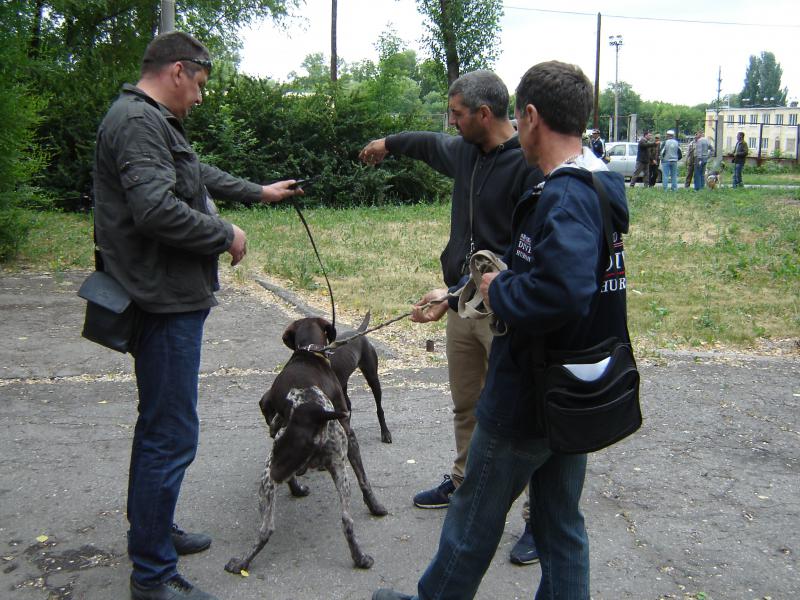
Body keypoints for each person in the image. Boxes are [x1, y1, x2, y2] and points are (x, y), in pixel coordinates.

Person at [373, 59, 630, 600]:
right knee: (560, 524)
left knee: (472, 520)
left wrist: (499, 289)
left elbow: (561, 292)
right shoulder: (596, 184)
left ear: (530, 116)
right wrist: (465, 291)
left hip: (531, 392)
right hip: (571, 386)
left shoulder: (565, 195)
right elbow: (562, 277)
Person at [92, 31, 302, 600]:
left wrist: (257, 192)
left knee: (158, 426)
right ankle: (153, 575)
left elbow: (194, 174)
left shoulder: (150, 122)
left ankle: (152, 532)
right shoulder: (138, 121)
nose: (201, 96)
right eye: (201, 84)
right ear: (178, 71)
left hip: (167, 294)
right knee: (170, 434)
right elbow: (156, 209)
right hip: (162, 301)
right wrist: (224, 232)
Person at [359, 70, 544, 565]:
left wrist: (461, 292)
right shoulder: (466, 151)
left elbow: (524, 255)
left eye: (457, 114)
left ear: (484, 114)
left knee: (524, 414)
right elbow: (425, 144)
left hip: (505, 309)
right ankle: (464, 483)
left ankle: (540, 519)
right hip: (463, 303)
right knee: (467, 403)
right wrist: (385, 143)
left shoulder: (528, 165)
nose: (451, 122)